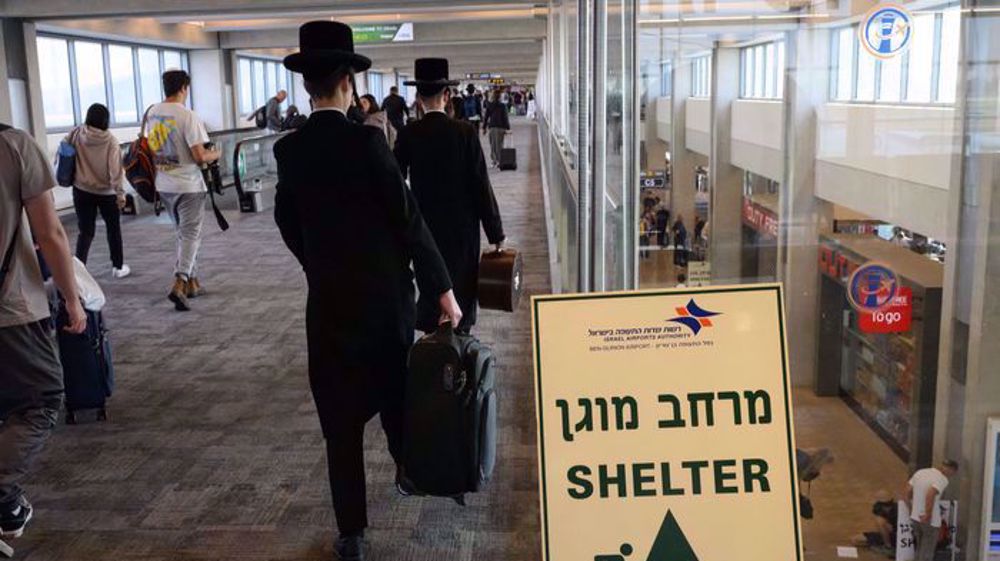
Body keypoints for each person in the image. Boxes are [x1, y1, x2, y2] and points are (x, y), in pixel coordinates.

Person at [274, 22, 462, 561]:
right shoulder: (368, 142)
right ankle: (410, 469)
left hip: (328, 306)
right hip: (384, 303)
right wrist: (442, 288)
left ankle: (351, 533)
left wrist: (320, 265)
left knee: (339, 425)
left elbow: (288, 224)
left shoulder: (291, 151)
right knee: (394, 393)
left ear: (310, 87)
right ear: (348, 84)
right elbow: (409, 220)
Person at [0, 122, 86, 540]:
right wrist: (71, 298)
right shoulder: (13, 146)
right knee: (42, 397)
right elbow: (49, 233)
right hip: (12, 307)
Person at [396, 58, 506, 334]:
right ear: (447, 96)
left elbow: (395, 181)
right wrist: (495, 233)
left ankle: (433, 342)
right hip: (462, 226)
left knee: (431, 278)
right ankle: (460, 338)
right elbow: (481, 184)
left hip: (424, 226)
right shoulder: (465, 132)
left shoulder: (409, 134)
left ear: (419, 98)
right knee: (462, 282)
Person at [146, 69, 221, 312]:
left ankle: (193, 283)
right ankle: (180, 281)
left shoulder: (152, 113)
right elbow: (200, 156)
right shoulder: (188, 116)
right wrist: (216, 154)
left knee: (184, 234)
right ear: (183, 88)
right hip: (188, 184)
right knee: (191, 235)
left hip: (164, 183)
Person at [65, 103, 130, 278]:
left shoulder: (77, 133)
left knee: (85, 231)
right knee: (113, 229)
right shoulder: (110, 141)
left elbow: (64, 148)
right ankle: (117, 267)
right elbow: (115, 170)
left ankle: (80, 268)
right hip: (106, 193)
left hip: (81, 190)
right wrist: (120, 193)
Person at [906, 460, 958, 561]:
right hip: (930, 521)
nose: (951, 476)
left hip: (915, 518)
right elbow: (931, 494)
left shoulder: (920, 472)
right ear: (951, 469)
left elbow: (907, 491)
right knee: (927, 551)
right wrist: (927, 514)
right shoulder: (942, 479)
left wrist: (912, 509)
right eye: (953, 473)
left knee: (919, 548)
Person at [483, 90, 511, 168]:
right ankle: (500, 160)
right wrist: (508, 128)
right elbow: (505, 118)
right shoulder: (502, 106)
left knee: (492, 145)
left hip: (492, 127)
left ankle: (494, 161)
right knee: (499, 145)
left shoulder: (490, 105)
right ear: (500, 97)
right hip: (500, 127)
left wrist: (484, 127)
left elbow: (486, 117)